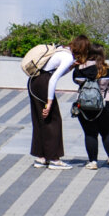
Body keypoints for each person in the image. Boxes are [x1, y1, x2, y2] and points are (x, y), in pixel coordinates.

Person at [28, 35, 88, 169]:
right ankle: (54, 159)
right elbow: (53, 79)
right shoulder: (68, 57)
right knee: (54, 120)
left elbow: (52, 72)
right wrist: (49, 103)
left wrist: (70, 67)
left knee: (40, 119)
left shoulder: (61, 50)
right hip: (44, 83)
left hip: (34, 81)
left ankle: (41, 157)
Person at [71, 43, 109, 170]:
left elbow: (75, 80)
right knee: (107, 132)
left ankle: (93, 161)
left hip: (84, 105)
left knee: (90, 133)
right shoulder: (107, 69)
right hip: (105, 104)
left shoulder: (79, 69)